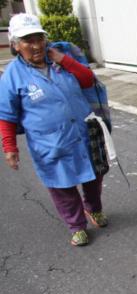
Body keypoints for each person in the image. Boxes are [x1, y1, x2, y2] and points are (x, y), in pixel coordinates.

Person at [0, 13, 108, 247]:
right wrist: (10, 148)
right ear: (16, 46)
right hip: (50, 142)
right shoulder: (12, 76)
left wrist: (63, 59)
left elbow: (88, 80)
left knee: (93, 177)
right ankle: (77, 226)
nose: (37, 45)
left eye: (39, 38)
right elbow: (6, 116)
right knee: (62, 186)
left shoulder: (63, 58)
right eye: (28, 41)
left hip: (83, 133)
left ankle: (94, 209)